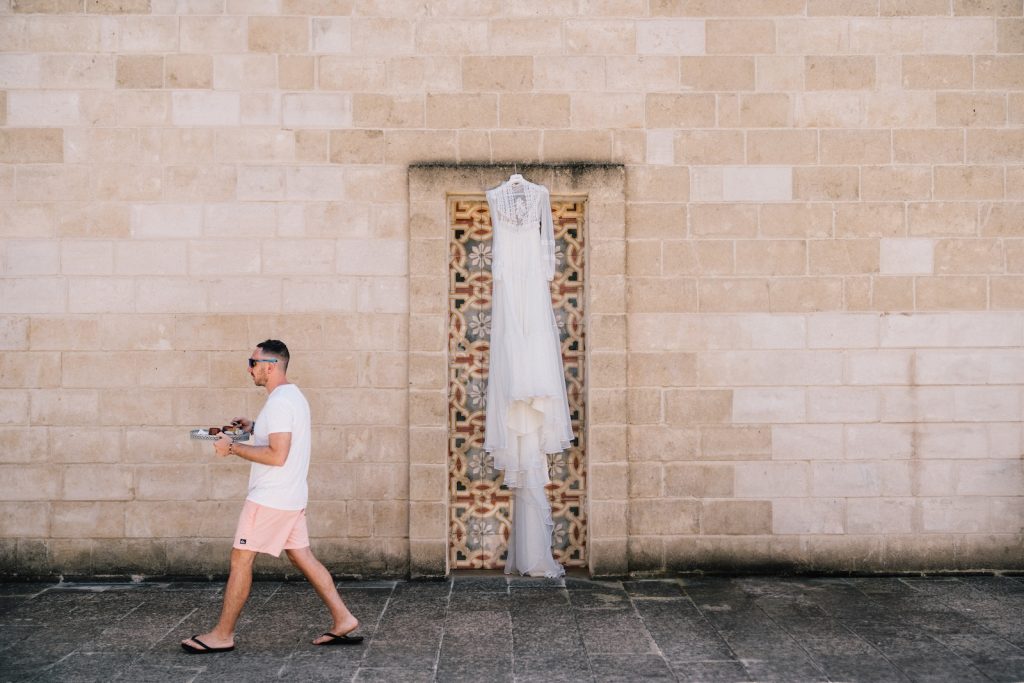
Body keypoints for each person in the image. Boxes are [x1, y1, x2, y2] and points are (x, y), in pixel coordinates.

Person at [181, 339, 362, 654]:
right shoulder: (292, 398)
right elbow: (278, 441)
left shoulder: (279, 402)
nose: (249, 369)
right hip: (290, 496)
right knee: (302, 556)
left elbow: (278, 455)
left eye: (252, 363)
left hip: (271, 498)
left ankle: (223, 634)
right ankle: (343, 618)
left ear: (270, 365)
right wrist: (251, 429)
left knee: (241, 559)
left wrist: (232, 447)